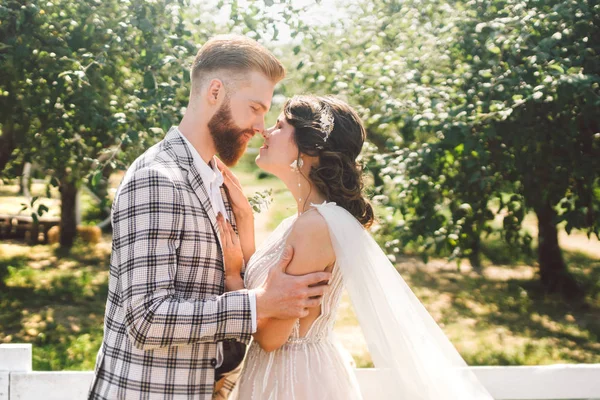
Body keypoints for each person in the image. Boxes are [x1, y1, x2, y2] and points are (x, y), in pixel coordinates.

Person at [88, 35, 332, 400]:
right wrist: (260, 303)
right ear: (215, 92)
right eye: (254, 107)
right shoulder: (157, 178)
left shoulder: (219, 180)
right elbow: (147, 320)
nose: (260, 126)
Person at [217, 95, 495, 399]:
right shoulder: (301, 223)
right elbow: (269, 293)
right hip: (283, 373)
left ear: (310, 147)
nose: (265, 131)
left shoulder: (314, 228)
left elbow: (271, 338)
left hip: (293, 382)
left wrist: (233, 278)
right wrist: (244, 219)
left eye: (280, 126)